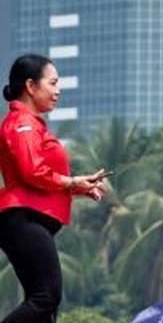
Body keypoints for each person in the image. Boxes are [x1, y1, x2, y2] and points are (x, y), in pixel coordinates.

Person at [0, 54, 107, 322]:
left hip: (30, 217)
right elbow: (31, 170)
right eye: (53, 82)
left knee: (45, 308)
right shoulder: (21, 124)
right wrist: (71, 182)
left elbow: (42, 178)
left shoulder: (34, 125)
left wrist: (79, 187)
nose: (58, 91)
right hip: (22, 217)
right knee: (45, 297)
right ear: (31, 86)